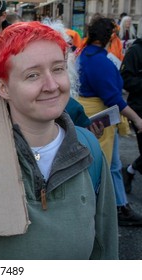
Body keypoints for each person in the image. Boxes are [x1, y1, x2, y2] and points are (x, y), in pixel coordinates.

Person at [0, 21, 118, 259]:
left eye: (58, 69)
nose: (52, 85)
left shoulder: (88, 148)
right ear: (3, 88)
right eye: (33, 75)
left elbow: (105, 247)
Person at [77, 17, 142, 226]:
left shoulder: (86, 54)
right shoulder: (99, 61)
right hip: (101, 118)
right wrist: (137, 119)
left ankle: (119, 205)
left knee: (109, 165)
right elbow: (113, 97)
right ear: (110, 37)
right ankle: (109, 209)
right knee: (103, 165)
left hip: (96, 116)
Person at [120, 17, 142, 194]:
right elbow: (126, 80)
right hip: (140, 108)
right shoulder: (135, 51)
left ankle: (130, 170)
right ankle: (129, 171)